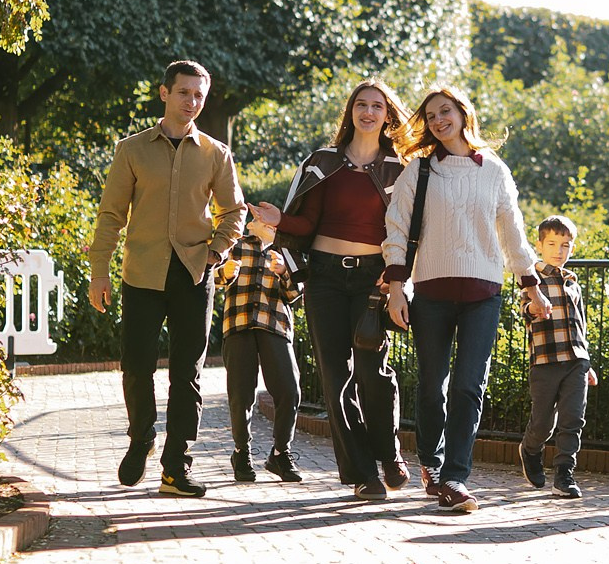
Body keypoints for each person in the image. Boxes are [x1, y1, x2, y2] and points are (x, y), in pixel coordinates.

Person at [87, 60, 244, 497]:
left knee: (186, 374)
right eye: (184, 93)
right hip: (142, 272)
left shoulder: (216, 153)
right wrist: (99, 270)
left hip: (194, 274)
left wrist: (215, 253)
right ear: (164, 93)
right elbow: (111, 214)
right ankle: (142, 436)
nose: (192, 102)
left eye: (199, 95)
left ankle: (176, 467)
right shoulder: (131, 150)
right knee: (136, 366)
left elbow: (234, 212)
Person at [382, 86, 540, 515]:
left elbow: (513, 233)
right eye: (431, 115)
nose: (438, 120)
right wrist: (396, 288)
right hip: (430, 293)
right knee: (432, 386)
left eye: (445, 111)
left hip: (483, 295)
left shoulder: (494, 170)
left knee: (469, 386)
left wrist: (531, 285)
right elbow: (396, 228)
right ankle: (431, 464)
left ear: (462, 113)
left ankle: (455, 477)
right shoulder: (419, 171)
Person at [261, 80, 409, 503]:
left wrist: (396, 278)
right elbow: (306, 224)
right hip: (324, 279)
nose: (368, 112)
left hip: (372, 280)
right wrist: (279, 220)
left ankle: (388, 453)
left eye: (377, 106)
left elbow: (408, 230)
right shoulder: (322, 162)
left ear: (387, 115)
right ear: (351, 111)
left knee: (373, 372)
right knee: (335, 376)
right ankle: (363, 473)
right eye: (361, 104)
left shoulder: (400, 170)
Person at [215, 213, 302, 483]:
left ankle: (280, 453)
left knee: (289, 389)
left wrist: (284, 273)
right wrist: (224, 273)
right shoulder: (235, 244)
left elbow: (296, 293)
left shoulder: (287, 249)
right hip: (238, 323)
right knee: (240, 394)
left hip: (275, 324)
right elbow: (211, 278)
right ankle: (241, 452)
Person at [518, 214, 597, 499]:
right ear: (539, 245)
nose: (558, 251)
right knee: (543, 423)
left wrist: (587, 362)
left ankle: (564, 474)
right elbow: (524, 309)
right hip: (545, 362)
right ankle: (530, 449)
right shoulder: (532, 278)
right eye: (551, 244)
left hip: (576, 361)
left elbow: (580, 325)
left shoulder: (572, 283)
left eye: (565, 245)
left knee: (573, 418)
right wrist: (533, 308)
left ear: (572, 248)